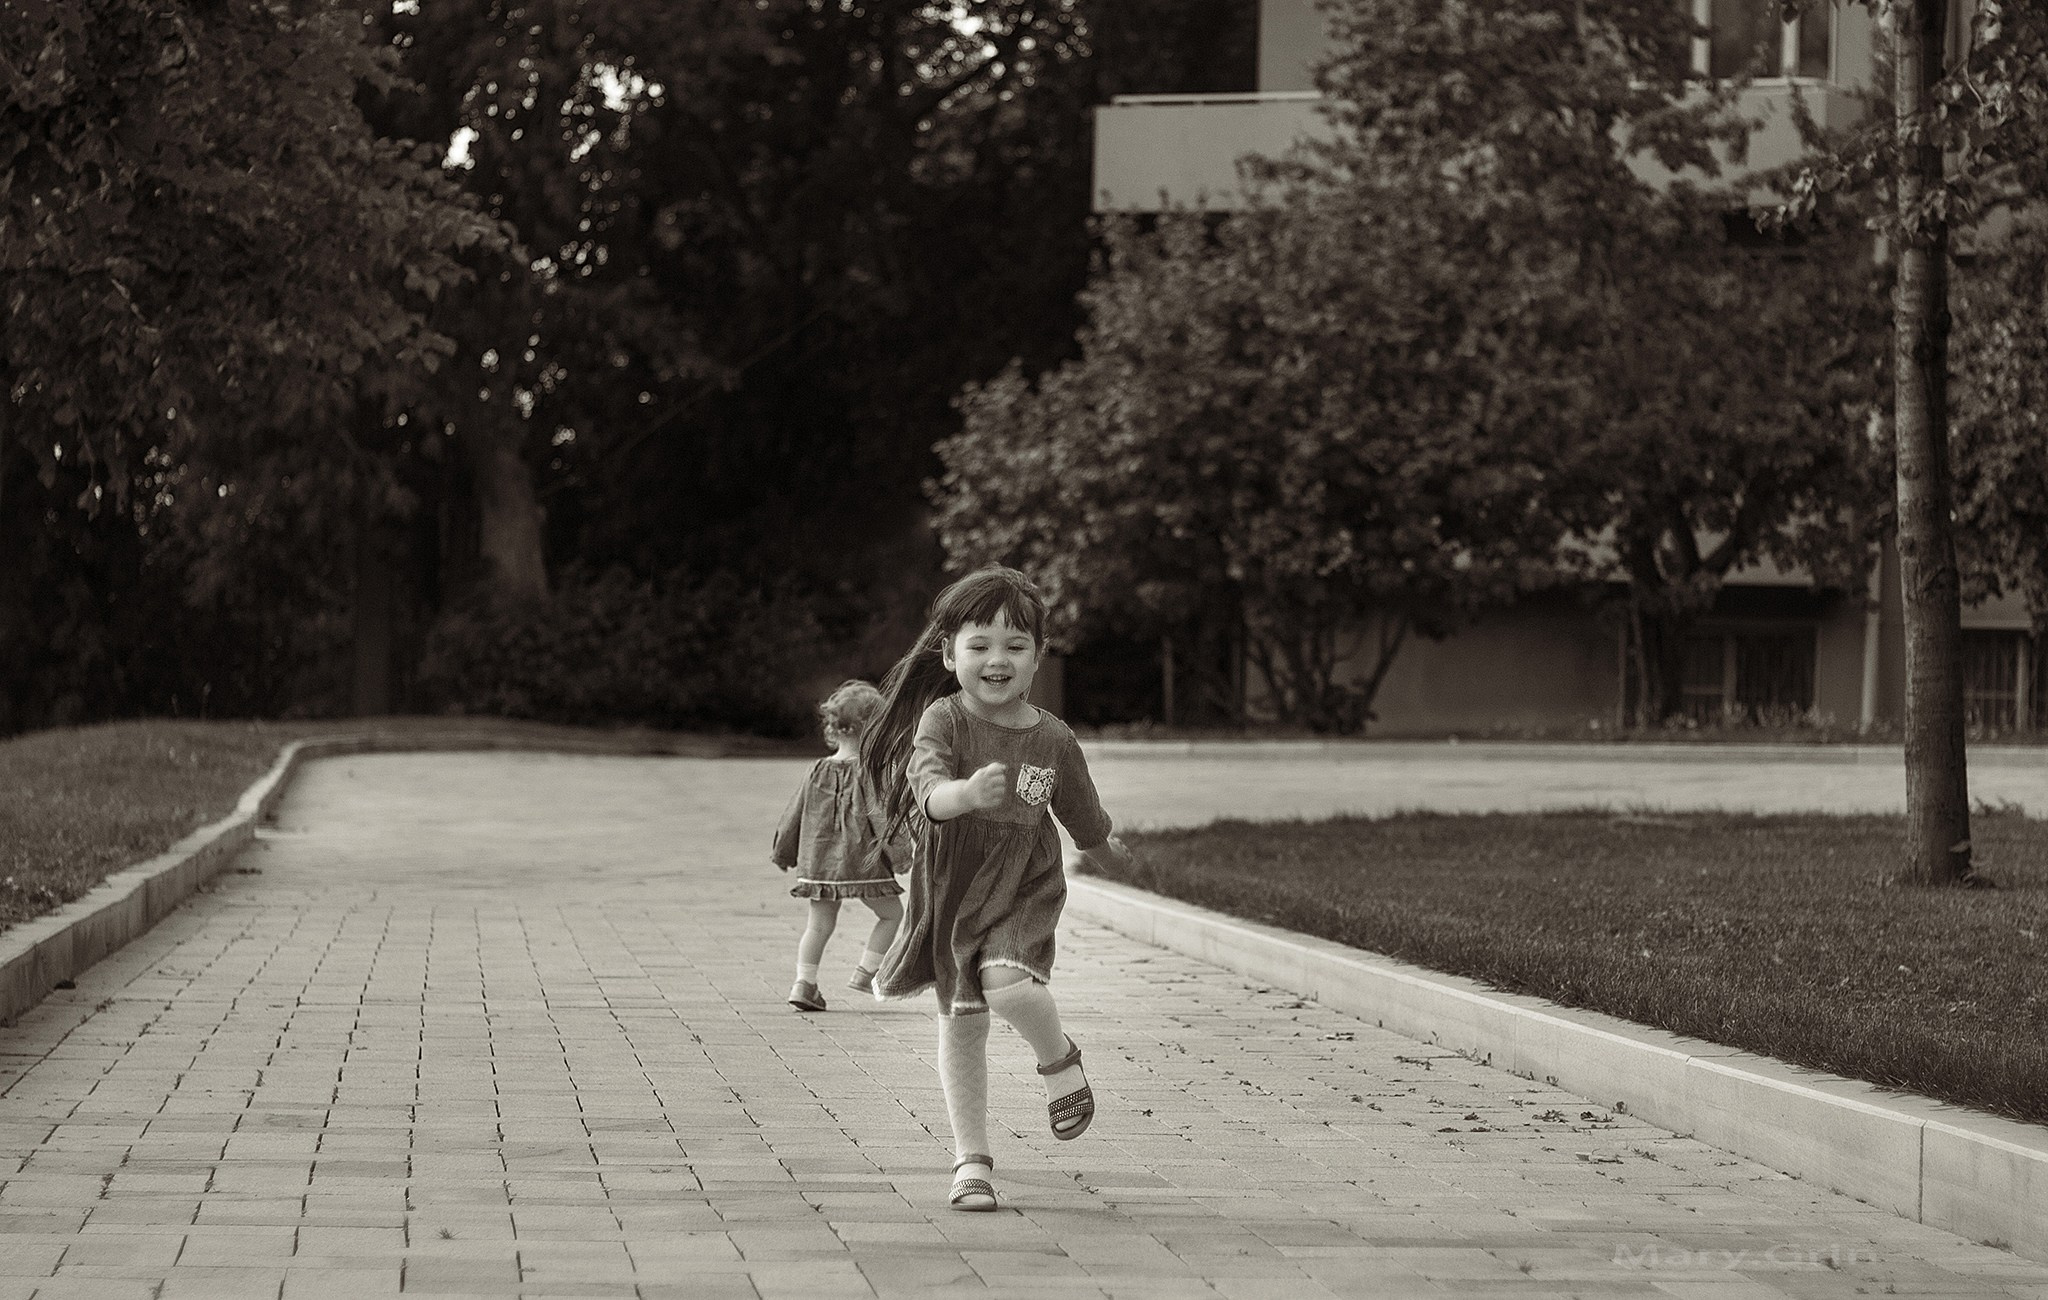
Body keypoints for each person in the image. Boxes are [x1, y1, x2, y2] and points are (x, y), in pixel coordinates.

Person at [860, 566, 1131, 1212]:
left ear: (1039, 656)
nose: (996, 659)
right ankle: (970, 1160)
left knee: (1007, 985)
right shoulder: (943, 721)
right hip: (952, 887)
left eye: (1015, 645)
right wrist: (964, 794)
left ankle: (1058, 1058)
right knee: (962, 1023)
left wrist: (1112, 855)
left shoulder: (1053, 738)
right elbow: (927, 789)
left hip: (1023, 883)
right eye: (979, 645)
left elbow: (1086, 820)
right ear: (949, 653)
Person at [772, 679, 908, 1012]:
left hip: (819, 863)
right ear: (874, 729)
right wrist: (901, 853)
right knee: (892, 915)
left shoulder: (816, 769)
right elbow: (881, 816)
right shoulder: (873, 772)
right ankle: (866, 971)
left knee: (817, 925)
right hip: (861, 862)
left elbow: (794, 814)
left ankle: (804, 984)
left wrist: (783, 852)